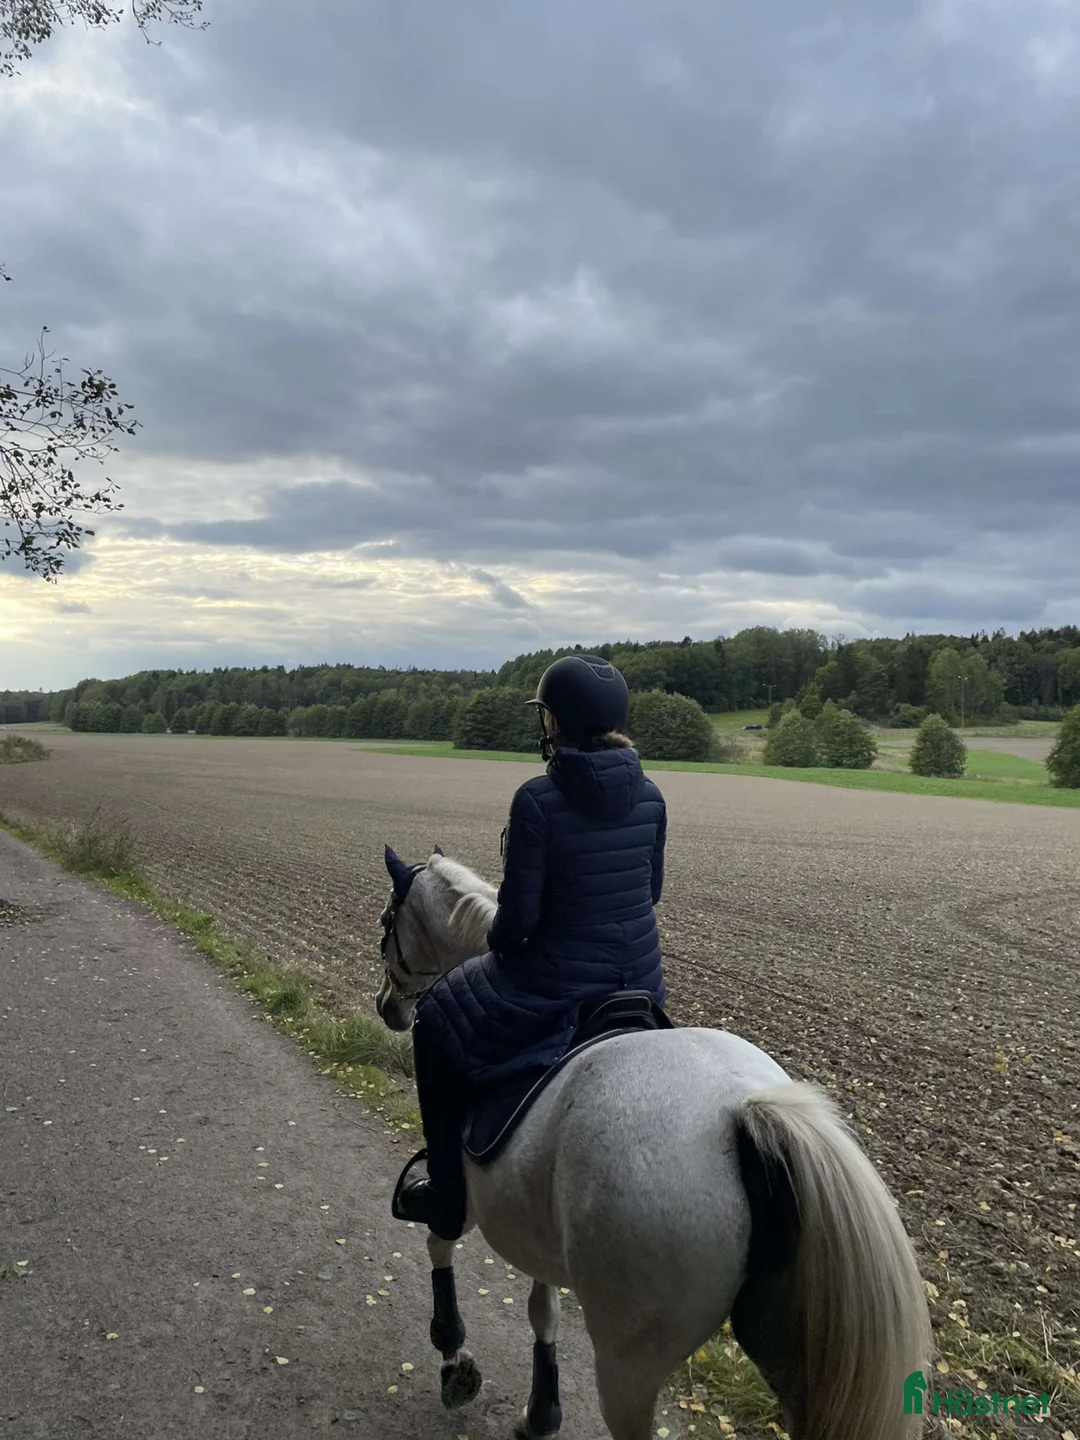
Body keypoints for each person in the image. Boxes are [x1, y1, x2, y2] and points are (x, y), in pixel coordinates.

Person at [391, 654, 668, 1240]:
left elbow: (515, 923)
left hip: (553, 986)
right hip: (641, 984)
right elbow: (652, 891)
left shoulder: (537, 799)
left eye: (544, 717)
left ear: (556, 723)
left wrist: (494, 938)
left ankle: (445, 1193)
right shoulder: (652, 795)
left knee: (436, 1019)